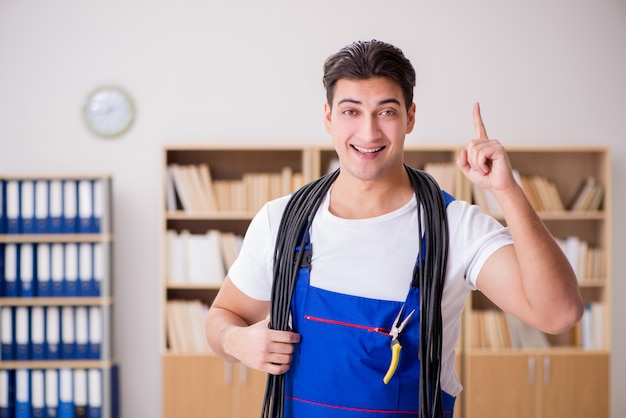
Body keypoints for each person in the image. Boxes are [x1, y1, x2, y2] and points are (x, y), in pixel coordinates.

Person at [205, 39, 583, 418]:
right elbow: (221, 317)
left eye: (386, 111)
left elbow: (559, 312)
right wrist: (236, 340)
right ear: (328, 117)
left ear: (410, 117)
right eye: (351, 111)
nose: (368, 133)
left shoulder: (453, 227)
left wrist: (506, 190)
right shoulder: (282, 221)